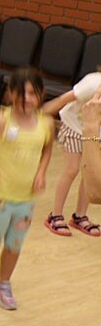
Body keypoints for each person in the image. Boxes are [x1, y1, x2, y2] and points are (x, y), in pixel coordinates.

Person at [0, 68, 51, 311]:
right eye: (21, 93)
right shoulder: (2, 120)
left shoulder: (45, 123)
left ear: (40, 95)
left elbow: (47, 149)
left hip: (26, 198)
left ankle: (2, 283)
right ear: (11, 94)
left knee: (14, 245)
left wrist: (41, 173)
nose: (27, 99)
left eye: (32, 93)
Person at [40, 61, 101, 237]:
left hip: (94, 131)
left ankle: (80, 216)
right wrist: (41, 113)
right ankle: (55, 215)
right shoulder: (92, 83)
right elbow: (64, 99)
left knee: (90, 172)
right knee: (72, 169)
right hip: (73, 125)